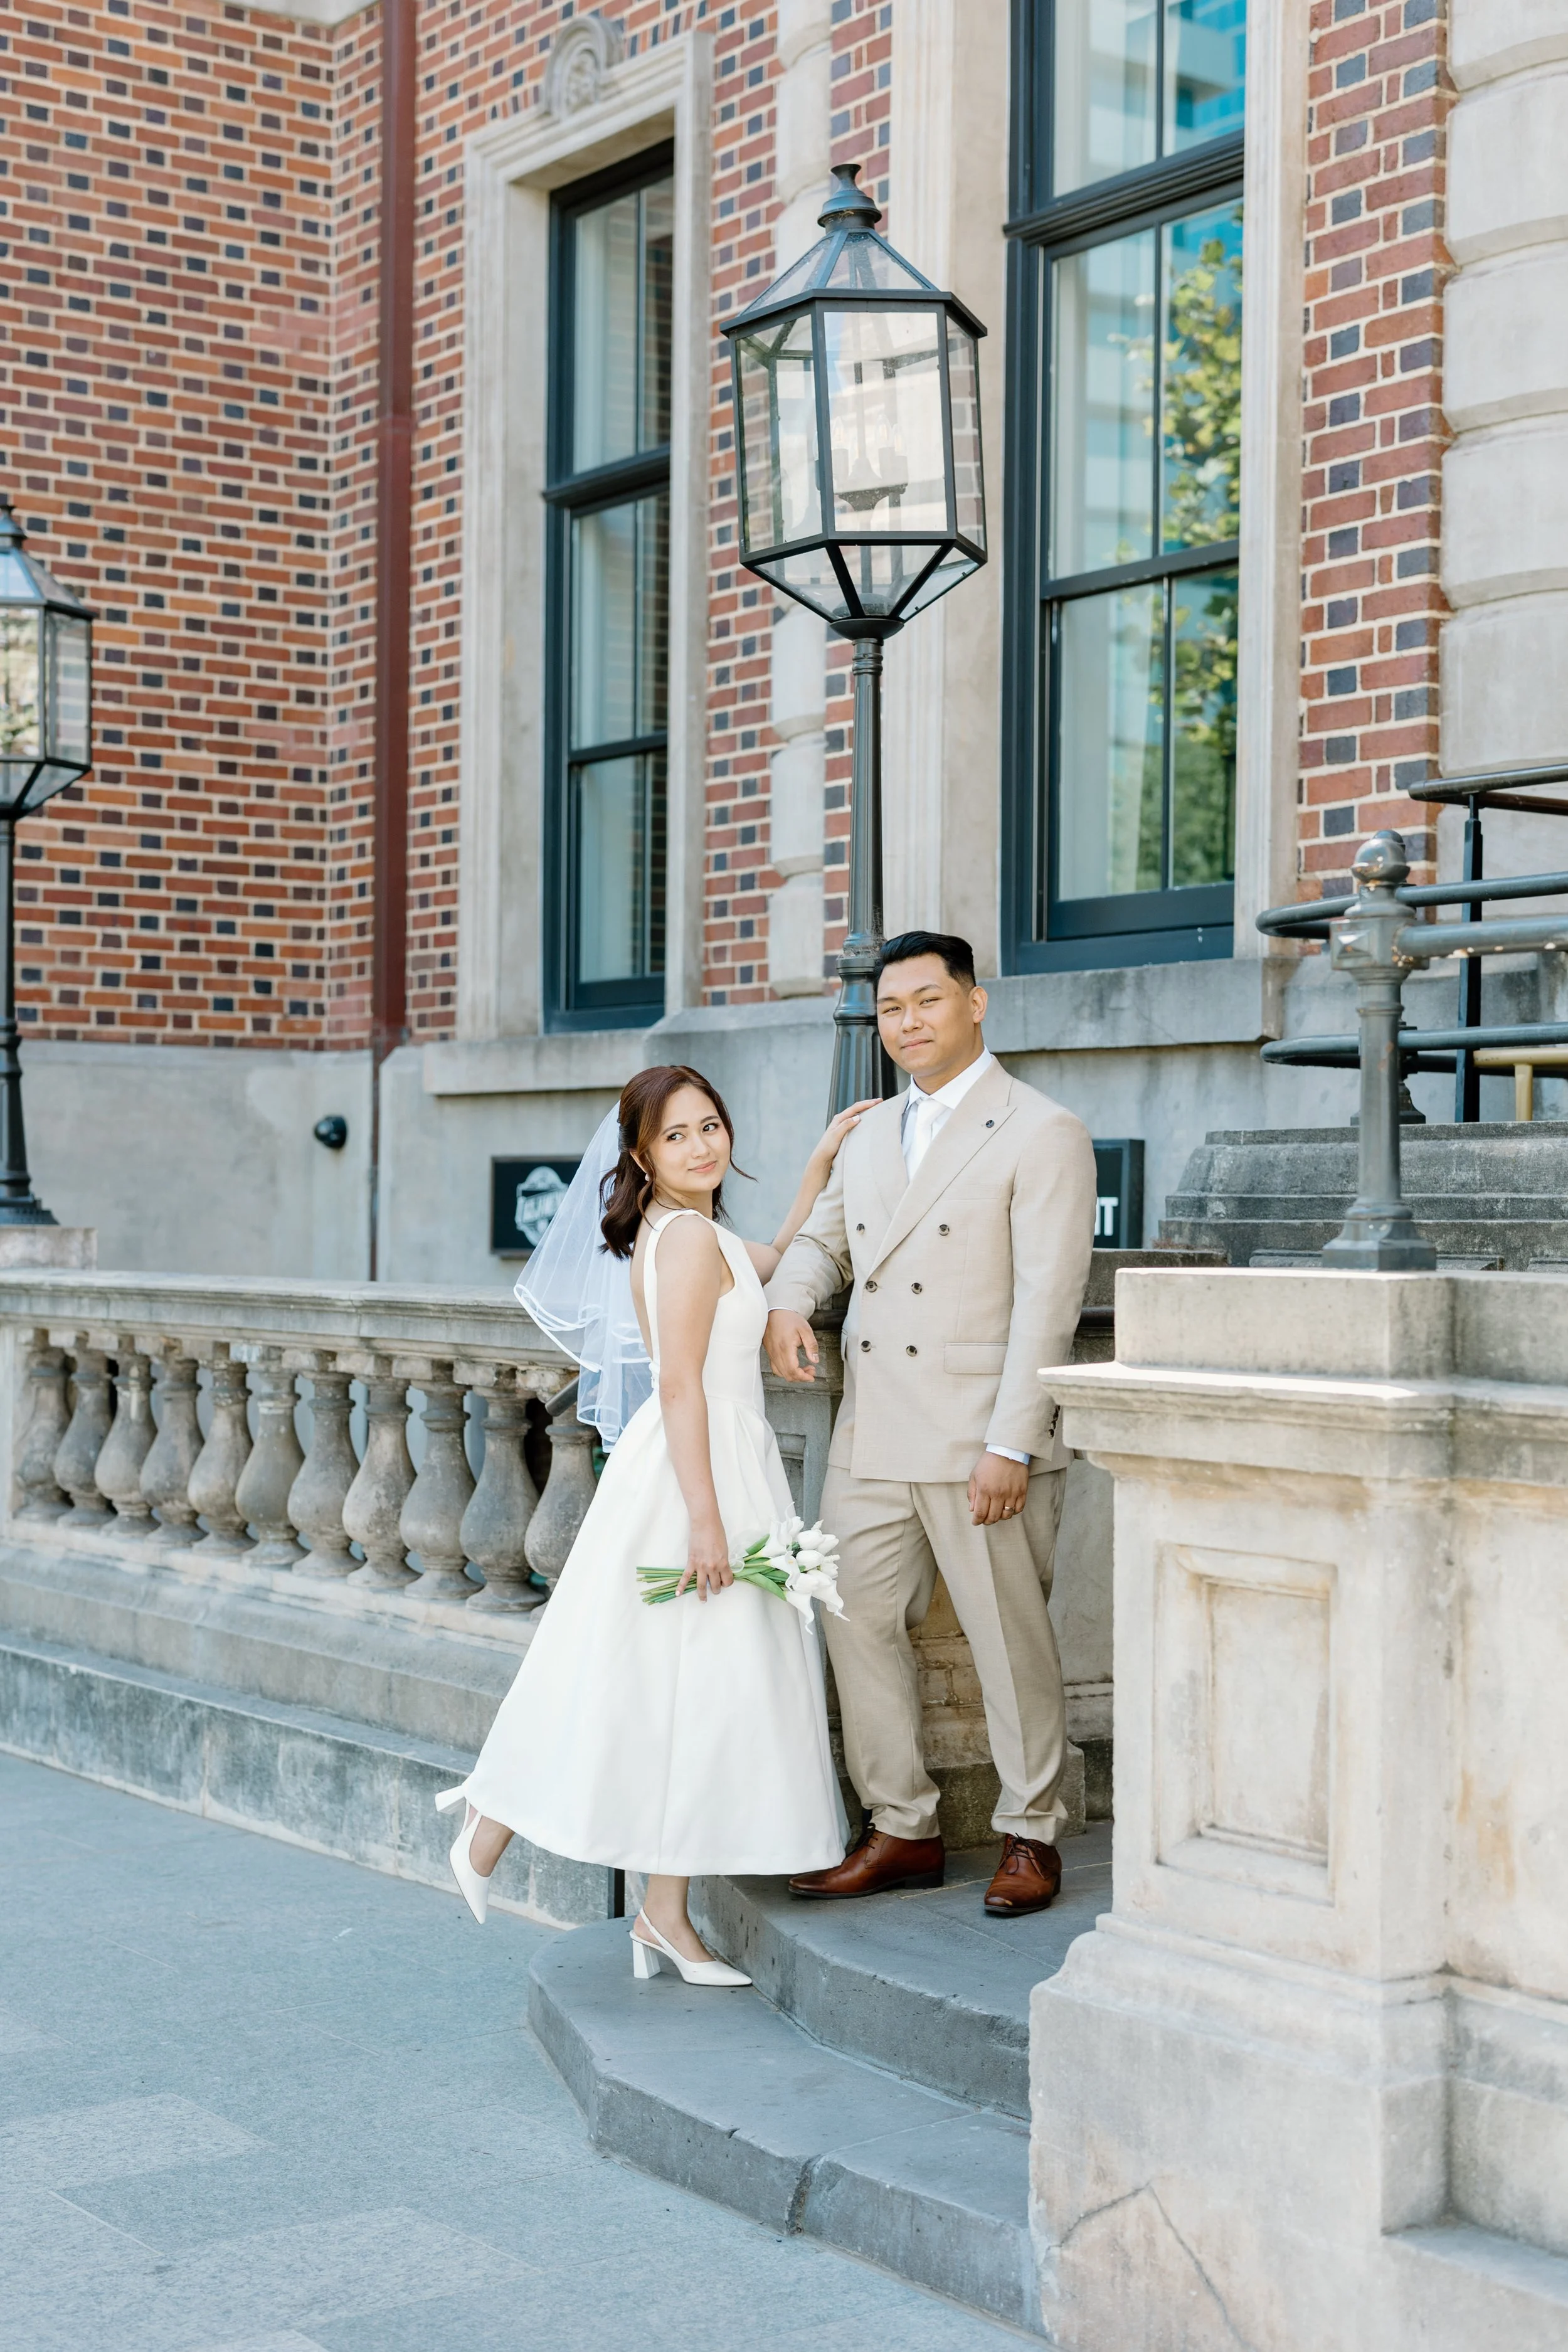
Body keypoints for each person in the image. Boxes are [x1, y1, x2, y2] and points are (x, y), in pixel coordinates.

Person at [435, 1065, 871, 1986]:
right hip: (691, 1479)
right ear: (641, 1154)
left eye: (710, 1125)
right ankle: (492, 1820)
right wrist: (707, 1522)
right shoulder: (676, 1243)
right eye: (676, 1135)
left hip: (720, 1465)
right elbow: (677, 1384)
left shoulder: (704, 1233)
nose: (702, 1144)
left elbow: (778, 1256)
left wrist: (822, 1162)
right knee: (624, 1676)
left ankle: (662, 1915)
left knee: (696, 1693)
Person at [764, 932, 1096, 1917]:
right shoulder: (868, 1134)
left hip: (977, 1435)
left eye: (926, 1001)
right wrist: (788, 1303)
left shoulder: (1041, 1130)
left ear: (975, 1003)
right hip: (873, 1429)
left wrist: (1012, 1442)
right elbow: (821, 1243)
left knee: (1010, 1640)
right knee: (851, 1615)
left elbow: (1050, 1301)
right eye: (892, 1009)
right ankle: (900, 1825)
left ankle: (1032, 1832)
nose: (906, 1023)